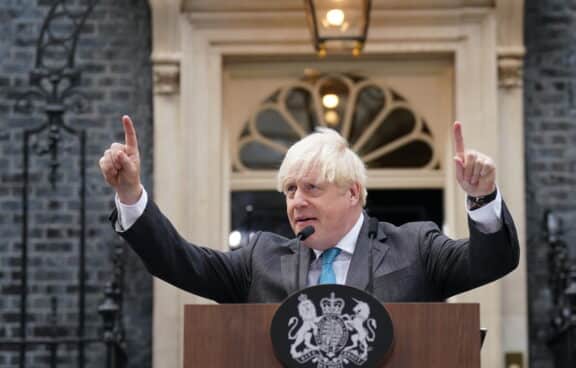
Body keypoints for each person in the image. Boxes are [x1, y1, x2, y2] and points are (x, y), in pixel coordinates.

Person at [98, 115, 519, 303]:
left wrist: (482, 199)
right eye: (289, 189)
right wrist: (132, 195)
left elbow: (489, 263)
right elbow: (180, 263)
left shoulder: (415, 247)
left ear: (353, 193)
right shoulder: (261, 259)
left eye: (312, 188)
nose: (297, 201)